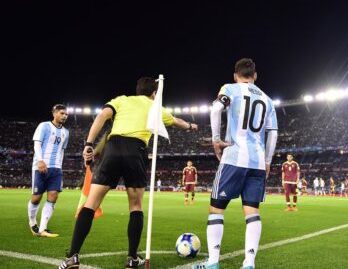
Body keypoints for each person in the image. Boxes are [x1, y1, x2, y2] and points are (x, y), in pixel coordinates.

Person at [58, 77, 198, 269]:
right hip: (136, 150)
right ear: (154, 93)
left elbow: (101, 116)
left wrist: (89, 144)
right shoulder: (156, 108)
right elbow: (177, 122)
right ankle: (132, 258)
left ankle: (73, 256)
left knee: (90, 204)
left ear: (137, 90)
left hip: (113, 147)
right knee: (135, 205)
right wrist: (191, 126)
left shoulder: (122, 100)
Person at [192, 58, 278, 269]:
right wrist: (267, 161)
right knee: (252, 212)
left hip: (234, 158)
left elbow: (214, 110)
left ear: (235, 75)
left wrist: (215, 140)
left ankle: (213, 262)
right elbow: (273, 133)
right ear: (255, 76)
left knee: (216, 210)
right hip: (257, 162)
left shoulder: (230, 88)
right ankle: (249, 263)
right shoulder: (268, 100)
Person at [27, 104, 69, 238]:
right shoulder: (44, 126)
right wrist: (40, 161)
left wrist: (60, 167)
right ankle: (33, 222)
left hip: (56, 168)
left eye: (66, 114)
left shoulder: (66, 132)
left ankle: (43, 228)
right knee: (36, 197)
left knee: (53, 196)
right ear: (54, 113)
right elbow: (37, 144)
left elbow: (62, 150)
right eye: (62, 113)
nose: (64, 116)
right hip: (41, 166)